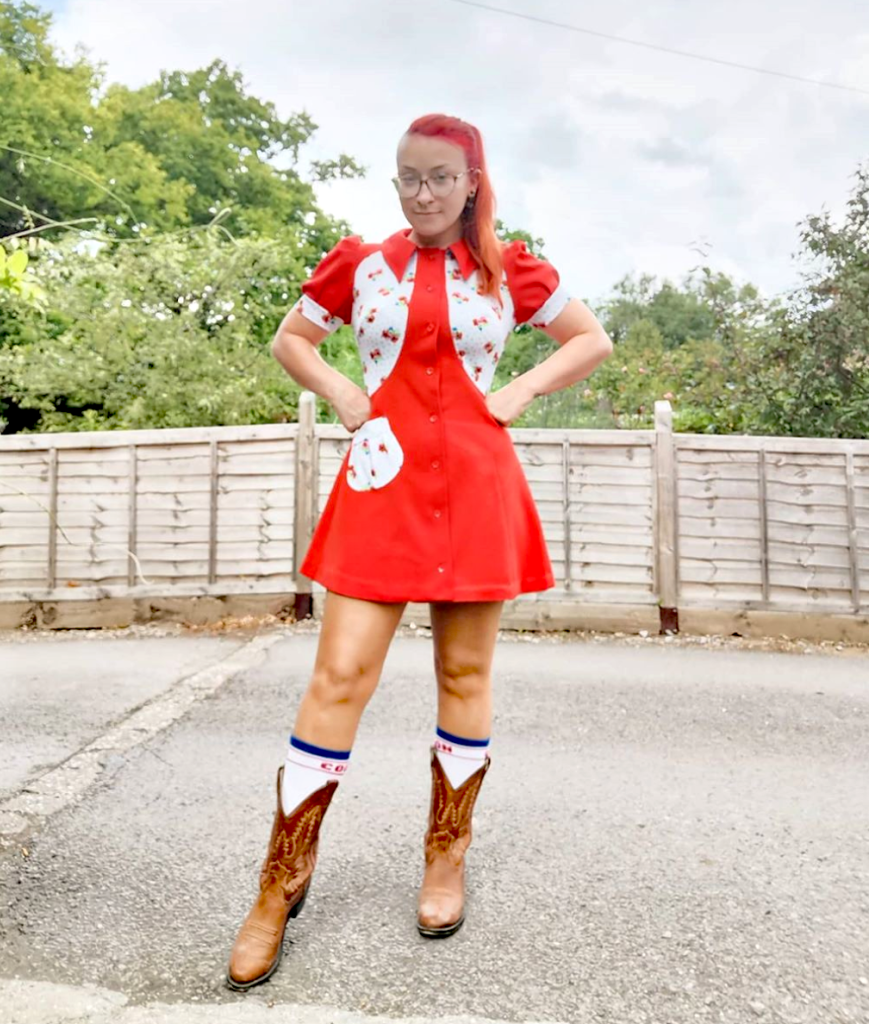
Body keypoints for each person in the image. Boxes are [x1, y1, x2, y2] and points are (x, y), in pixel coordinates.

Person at [225, 112, 613, 990]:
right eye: (408, 177)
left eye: (440, 177)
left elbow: (591, 338)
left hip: (477, 488)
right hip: (381, 483)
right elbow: (293, 338)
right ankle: (279, 881)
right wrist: (344, 395)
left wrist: (515, 391)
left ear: (472, 179)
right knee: (337, 678)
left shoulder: (512, 268)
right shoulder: (360, 261)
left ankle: (447, 855)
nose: (424, 193)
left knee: (466, 679)